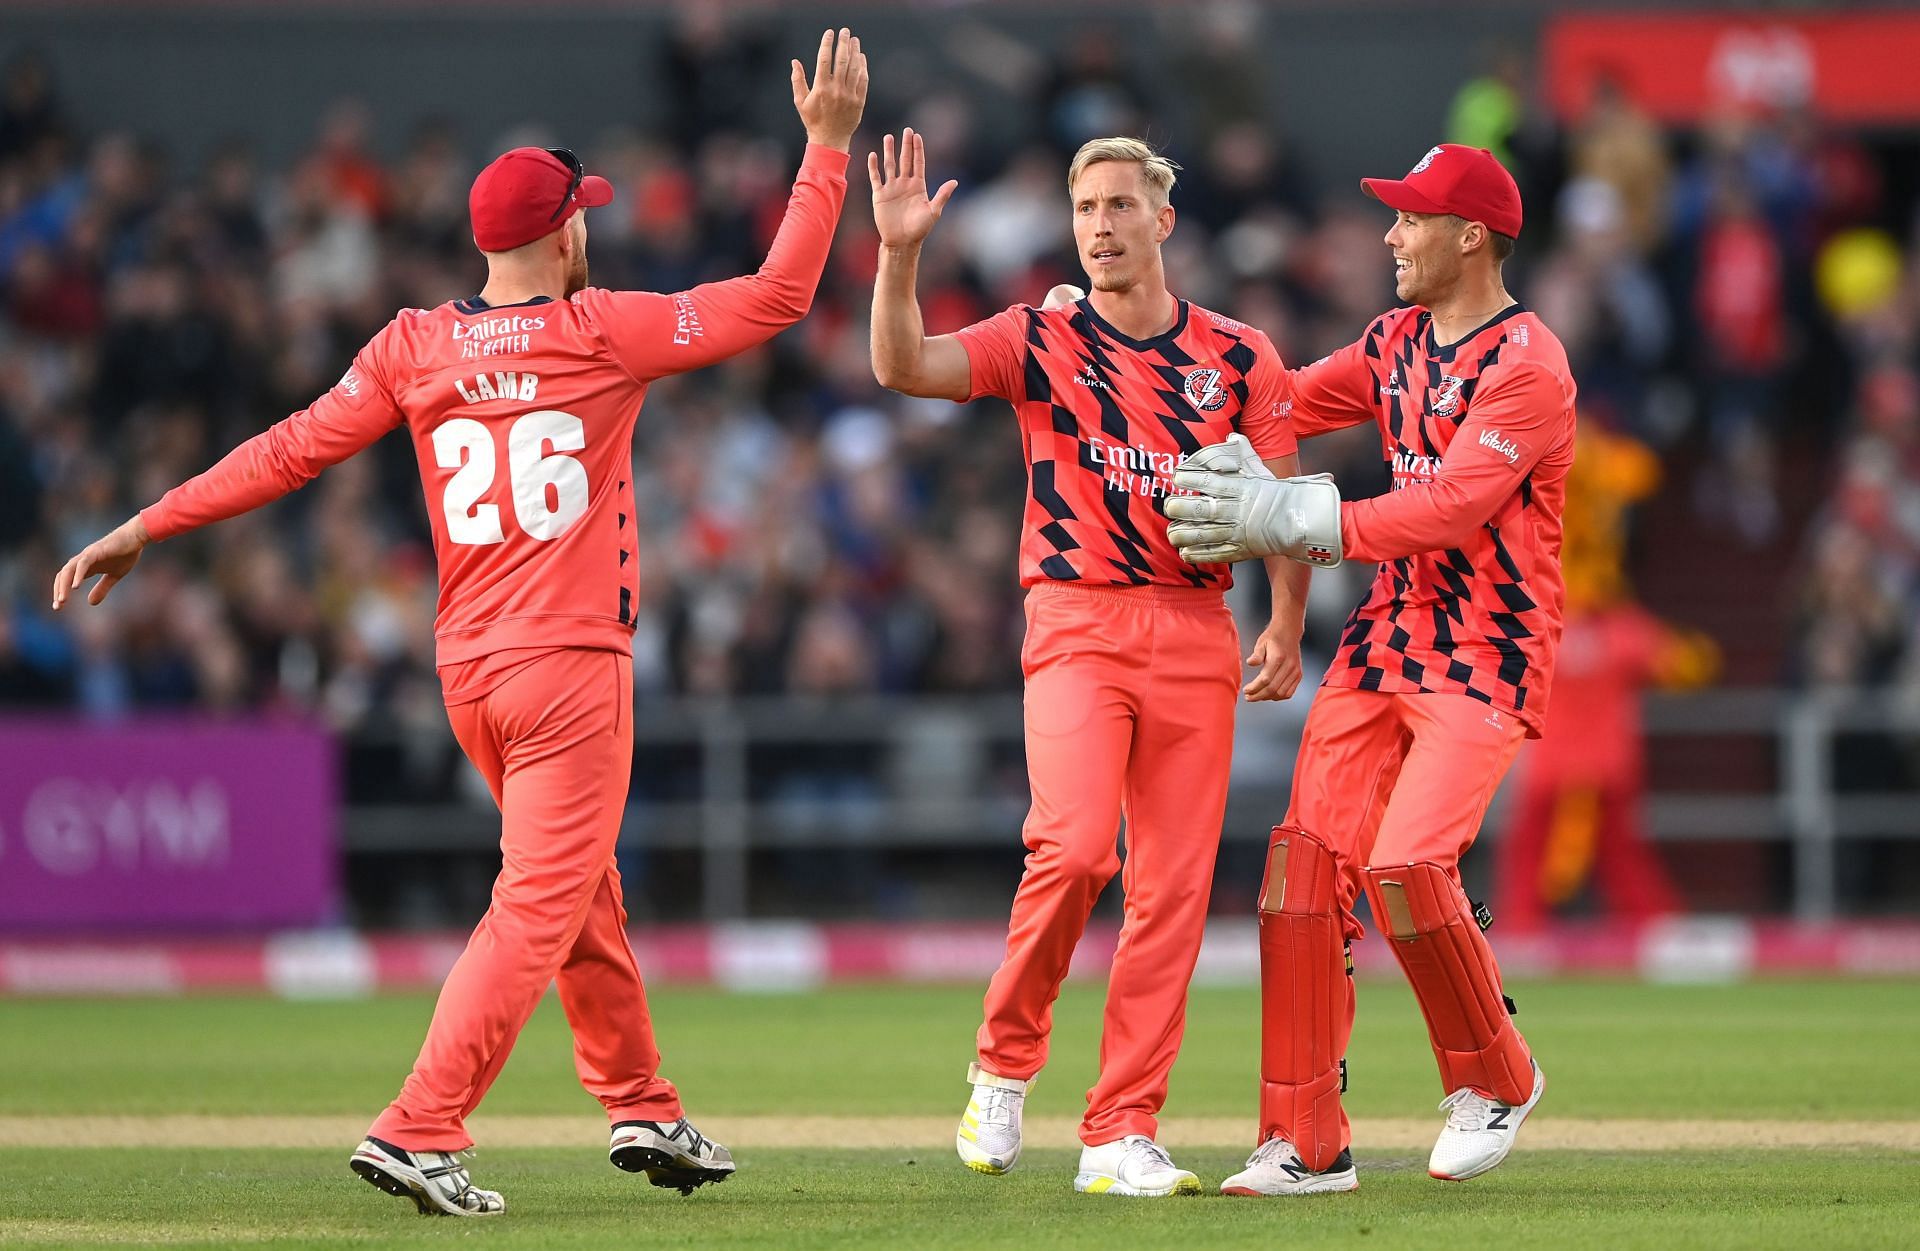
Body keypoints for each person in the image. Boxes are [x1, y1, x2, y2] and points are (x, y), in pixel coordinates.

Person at [51, 28, 868, 1217]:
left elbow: (288, 452)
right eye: (582, 214)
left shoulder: (413, 345)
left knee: (580, 893)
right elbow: (780, 295)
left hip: (469, 672)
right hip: (573, 667)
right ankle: (421, 1125)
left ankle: (640, 1101)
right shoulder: (600, 330)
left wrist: (150, 522)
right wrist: (827, 150)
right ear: (563, 234)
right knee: (540, 903)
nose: (591, 225)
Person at [869, 131, 1308, 1197]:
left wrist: (1287, 623)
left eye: (1119, 206)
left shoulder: (1242, 356)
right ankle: (1004, 1066)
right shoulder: (1040, 337)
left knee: (1172, 892)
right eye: (1085, 209)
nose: (1100, 226)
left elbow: (1288, 508)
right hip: (1074, 622)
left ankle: (1120, 1131)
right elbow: (902, 365)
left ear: (1163, 222)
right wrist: (897, 256)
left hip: (1194, 631)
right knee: (1071, 853)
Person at [1161, 143, 1574, 1194]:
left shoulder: (1528, 365)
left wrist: (1294, 512)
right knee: (1302, 873)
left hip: (1488, 648)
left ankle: (1496, 1076)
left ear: (1469, 236)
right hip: (1388, 636)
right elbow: (1281, 400)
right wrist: (1126, 345)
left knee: (1406, 867)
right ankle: (1305, 1140)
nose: (1390, 237)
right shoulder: (1394, 341)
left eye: (1411, 220)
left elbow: (1449, 508)